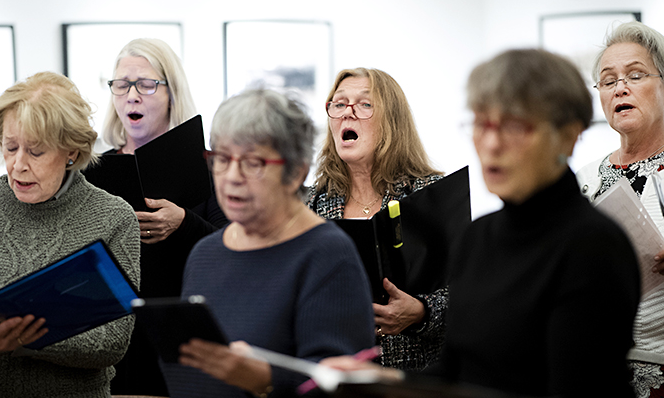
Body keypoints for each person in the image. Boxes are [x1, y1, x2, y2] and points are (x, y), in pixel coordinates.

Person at [322, 48, 641, 397]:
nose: (490, 143)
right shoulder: (479, 237)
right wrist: (383, 381)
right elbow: (457, 368)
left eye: (514, 125)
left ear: (568, 134)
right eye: (480, 123)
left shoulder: (593, 245)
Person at [0, 71, 141, 398]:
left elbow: (112, 343)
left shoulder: (113, 217)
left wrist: (18, 337)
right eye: (10, 147)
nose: (18, 165)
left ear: (72, 152)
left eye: (35, 152)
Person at [159, 88, 376, 397]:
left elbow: (345, 388)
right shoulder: (205, 253)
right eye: (221, 158)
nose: (231, 176)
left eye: (253, 162)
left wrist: (264, 378)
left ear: (295, 173)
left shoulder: (327, 255)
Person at [101, 38, 228, 396]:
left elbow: (233, 248)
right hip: (116, 342)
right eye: (122, 85)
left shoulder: (208, 167)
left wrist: (184, 221)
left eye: (146, 84)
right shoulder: (96, 168)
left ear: (172, 93)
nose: (132, 95)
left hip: (185, 339)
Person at [306, 67, 446, 371]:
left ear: (392, 120)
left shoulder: (431, 195)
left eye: (365, 104)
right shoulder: (312, 204)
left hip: (416, 381)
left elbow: (468, 297)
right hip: (340, 377)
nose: (347, 113)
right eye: (339, 103)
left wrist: (422, 312)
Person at [576, 21, 664, 398]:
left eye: (635, 75)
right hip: (595, 370)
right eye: (608, 81)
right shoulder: (584, 178)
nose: (620, 88)